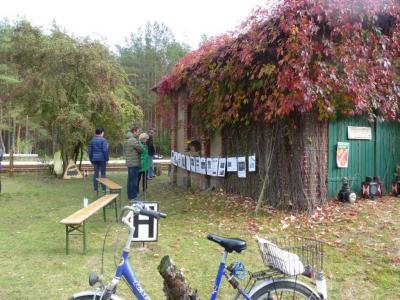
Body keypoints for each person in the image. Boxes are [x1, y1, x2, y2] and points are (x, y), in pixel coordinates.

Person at [123, 126, 143, 202]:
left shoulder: (127, 139)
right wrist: (140, 143)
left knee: (130, 180)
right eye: (138, 132)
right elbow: (141, 149)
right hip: (134, 163)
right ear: (134, 132)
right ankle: (134, 196)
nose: (139, 133)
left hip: (129, 163)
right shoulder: (133, 140)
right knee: (134, 180)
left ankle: (130, 195)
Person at [88, 127, 109, 193]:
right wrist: (107, 159)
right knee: (103, 174)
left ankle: (95, 189)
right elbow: (105, 150)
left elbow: (90, 151)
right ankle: (103, 189)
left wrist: (91, 159)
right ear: (102, 132)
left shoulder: (92, 140)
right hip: (102, 159)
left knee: (95, 174)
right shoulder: (103, 140)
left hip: (94, 159)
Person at [138, 133, 150, 197]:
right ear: (143, 139)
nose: (147, 140)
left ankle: (145, 190)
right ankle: (137, 191)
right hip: (140, 165)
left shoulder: (146, 145)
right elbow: (139, 155)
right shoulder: (139, 145)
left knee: (145, 179)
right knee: (138, 179)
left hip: (145, 165)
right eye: (146, 139)